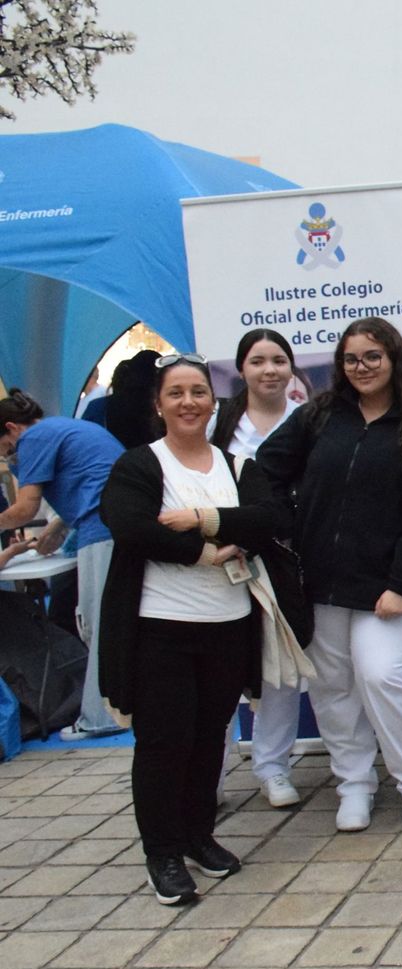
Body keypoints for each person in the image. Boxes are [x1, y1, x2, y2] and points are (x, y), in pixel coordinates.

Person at [256, 316, 402, 838]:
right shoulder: (319, 416)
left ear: (394, 360)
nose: (362, 367)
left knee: (383, 678)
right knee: (331, 687)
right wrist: (286, 527)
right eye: (351, 358)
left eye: (373, 356)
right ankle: (354, 785)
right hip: (319, 583)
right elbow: (265, 467)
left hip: (388, 592)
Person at [97, 353, 282, 904]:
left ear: (213, 401)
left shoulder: (237, 468)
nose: (188, 402)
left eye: (198, 392)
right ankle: (163, 853)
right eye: (176, 393)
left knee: (209, 740)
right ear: (159, 404)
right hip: (160, 631)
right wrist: (200, 553)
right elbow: (129, 527)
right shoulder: (140, 465)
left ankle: (199, 835)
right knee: (164, 742)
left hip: (227, 627)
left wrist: (203, 519)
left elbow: (270, 518)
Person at [209, 328, 305, 808]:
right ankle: (211, 775)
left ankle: (273, 767)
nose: (270, 370)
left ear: (291, 368)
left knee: (278, 667)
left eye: (279, 360)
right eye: (258, 361)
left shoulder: (309, 419)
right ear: (241, 369)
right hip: (225, 561)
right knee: (220, 668)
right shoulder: (218, 424)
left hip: (285, 561)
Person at [0, 389, 126, 738]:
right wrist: (56, 529)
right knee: (115, 622)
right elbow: (90, 480)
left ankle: (99, 717)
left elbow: (25, 509)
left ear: (11, 428)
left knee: (97, 625)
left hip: (101, 530)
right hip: (116, 523)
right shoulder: (62, 428)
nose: (5, 456)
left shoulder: (33, 439)